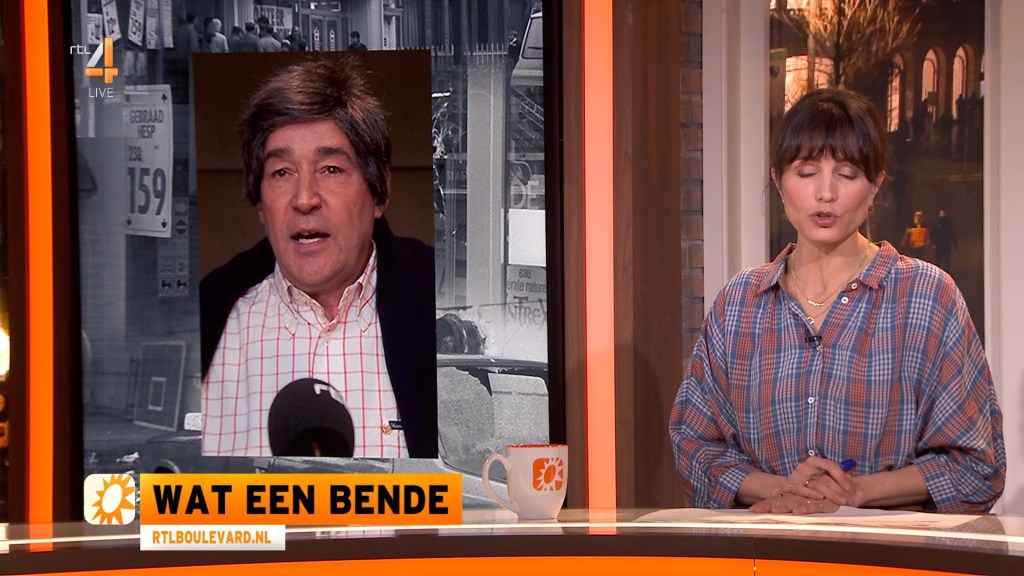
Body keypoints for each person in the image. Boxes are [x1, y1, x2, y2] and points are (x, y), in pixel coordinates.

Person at [668, 88, 1004, 515]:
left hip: (887, 549)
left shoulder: (928, 297)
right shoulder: (739, 304)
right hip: (767, 547)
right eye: (807, 172)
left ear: (875, 184)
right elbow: (694, 445)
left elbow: (977, 466)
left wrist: (854, 492)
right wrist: (783, 490)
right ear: (779, 180)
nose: (825, 193)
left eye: (846, 174)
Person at [200, 56, 436, 459]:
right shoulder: (212, 316)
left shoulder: (437, 304)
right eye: (281, 172)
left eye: (330, 169)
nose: (305, 199)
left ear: (379, 193)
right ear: (260, 206)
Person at [932, 209, 958, 273]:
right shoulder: (936, 222)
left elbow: (952, 232)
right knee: (938, 259)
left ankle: (947, 272)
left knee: (947, 259)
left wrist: (954, 243)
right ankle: (938, 272)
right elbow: (933, 233)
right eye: (941, 213)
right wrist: (934, 243)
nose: (942, 214)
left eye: (943, 213)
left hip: (946, 243)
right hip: (939, 244)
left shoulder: (948, 222)